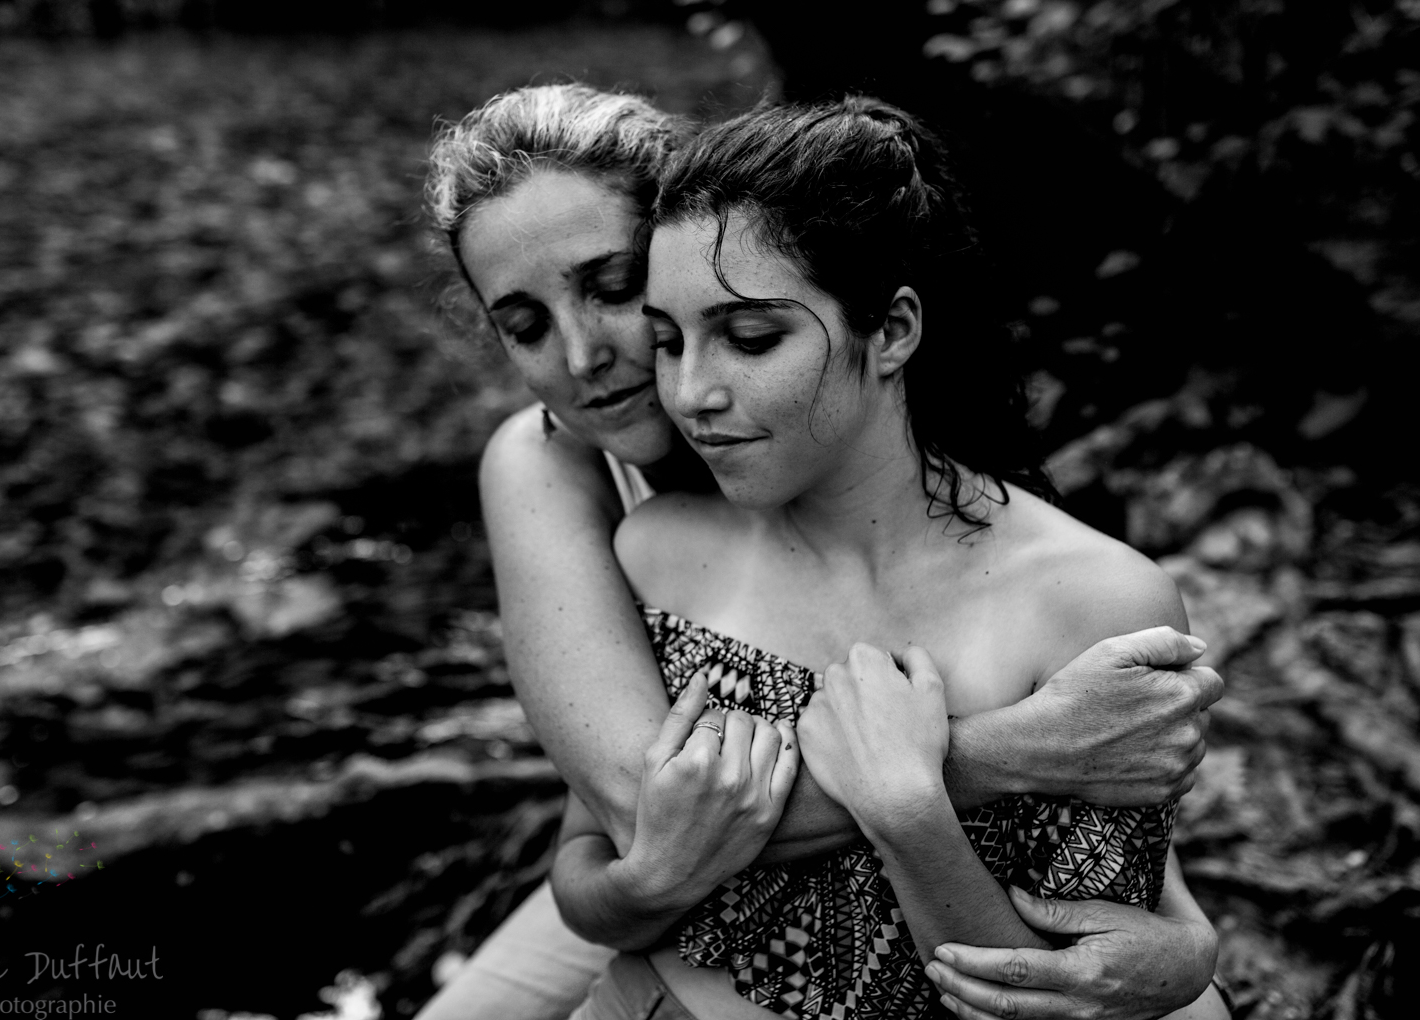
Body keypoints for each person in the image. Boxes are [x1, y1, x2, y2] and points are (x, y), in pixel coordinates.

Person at [421, 83, 1226, 1020]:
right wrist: (1006, 751)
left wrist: (1188, 944)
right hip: (678, 891)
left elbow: (1106, 803)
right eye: (523, 326)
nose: (581, 354)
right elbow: (648, 816)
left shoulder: (873, 435)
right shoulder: (558, 468)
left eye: (614, 287)